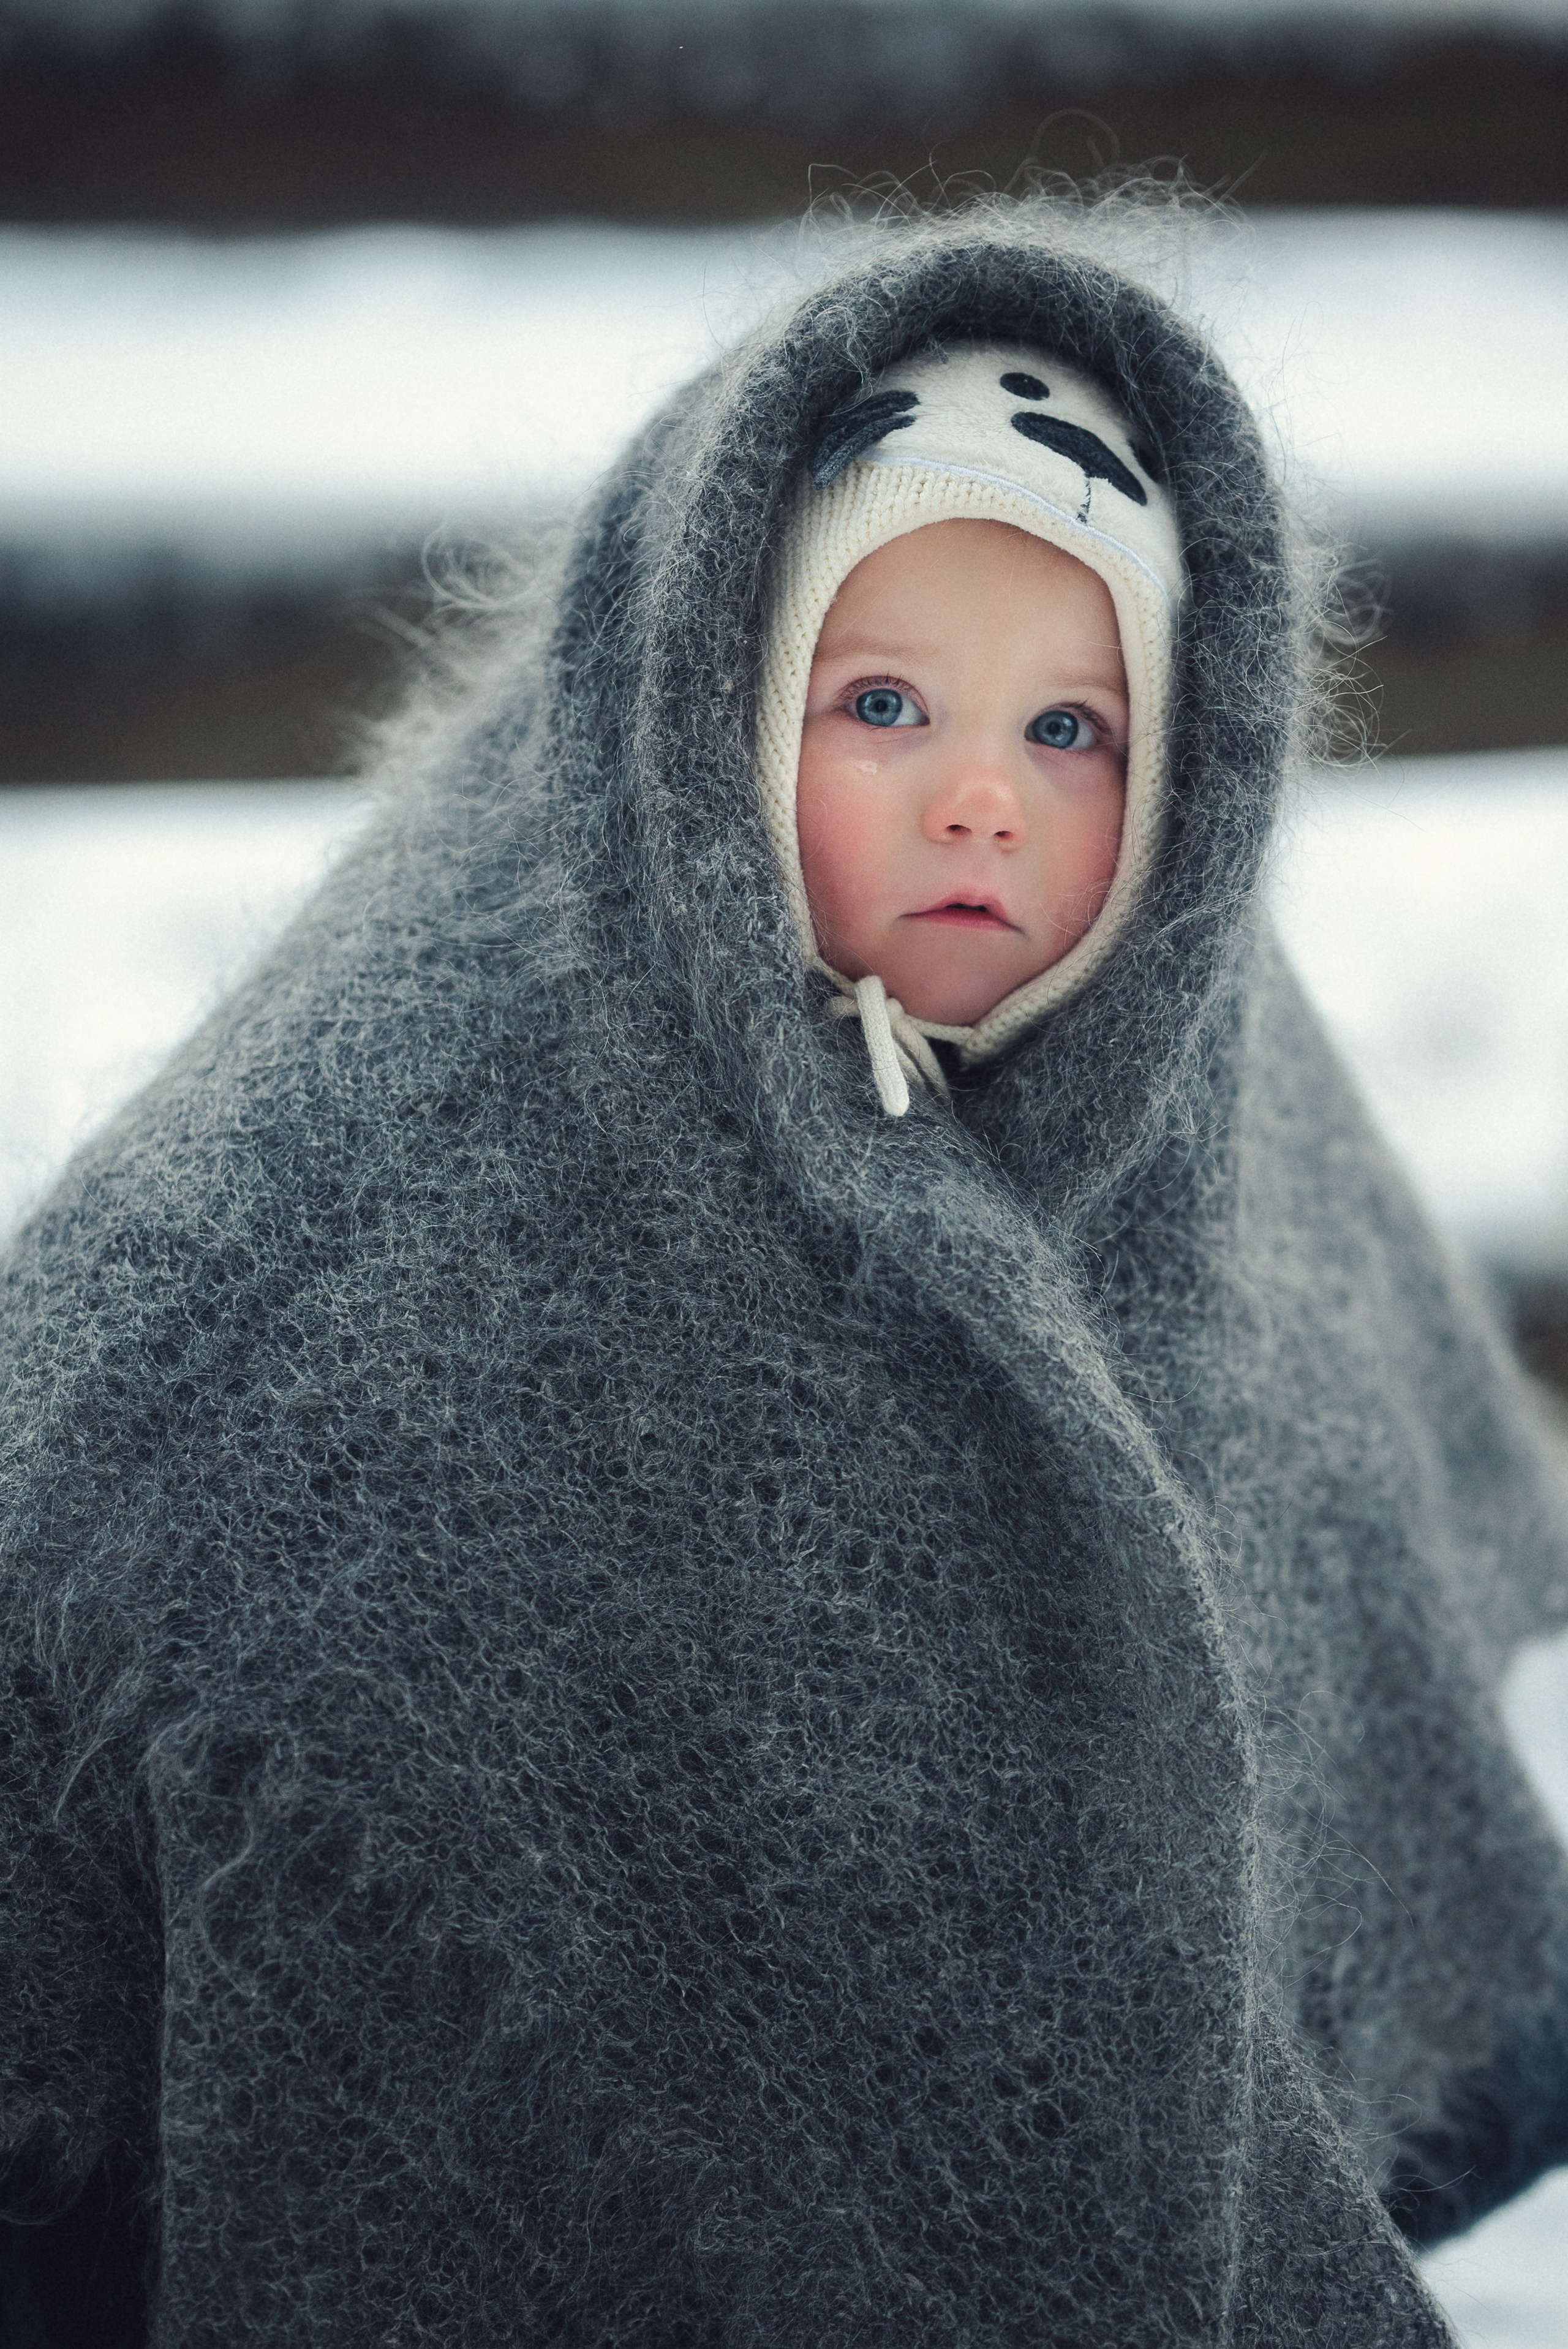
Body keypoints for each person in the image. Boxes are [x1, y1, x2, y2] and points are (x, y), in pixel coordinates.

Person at [4, 196, 1568, 2348]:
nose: (980, 807)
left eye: (1073, 730)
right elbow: (138, 1415)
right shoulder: (404, 1147)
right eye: (888, 700)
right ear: (717, 712)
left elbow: (1337, 1518)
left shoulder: (1209, 1094)